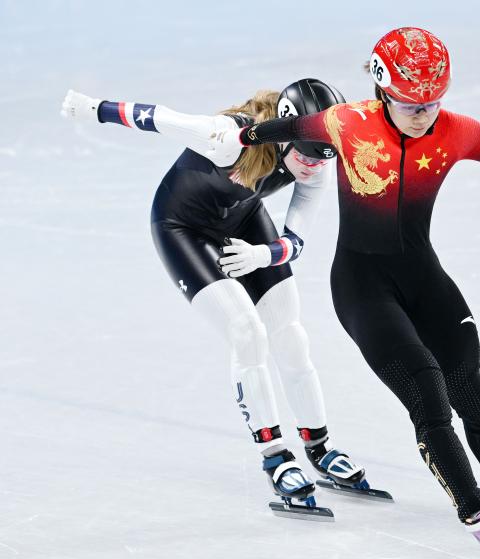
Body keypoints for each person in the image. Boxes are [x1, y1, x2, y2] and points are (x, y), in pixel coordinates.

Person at [223, 27, 480, 559]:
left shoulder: (458, 131)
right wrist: (240, 136)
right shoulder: (345, 122)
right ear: (380, 89)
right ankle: (477, 516)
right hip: (361, 287)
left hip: (424, 278)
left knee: (470, 385)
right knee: (428, 392)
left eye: (432, 103)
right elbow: (279, 128)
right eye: (409, 104)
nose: (422, 114)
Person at [59, 79, 378, 519]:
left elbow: (297, 238)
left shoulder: (317, 157)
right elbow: (159, 117)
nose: (312, 166)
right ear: (283, 132)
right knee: (246, 333)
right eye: (304, 154)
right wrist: (94, 108)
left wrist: (262, 254)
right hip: (182, 228)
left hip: (244, 223)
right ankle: (275, 456)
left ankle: (319, 446)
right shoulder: (228, 138)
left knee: (290, 333)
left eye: (323, 156)